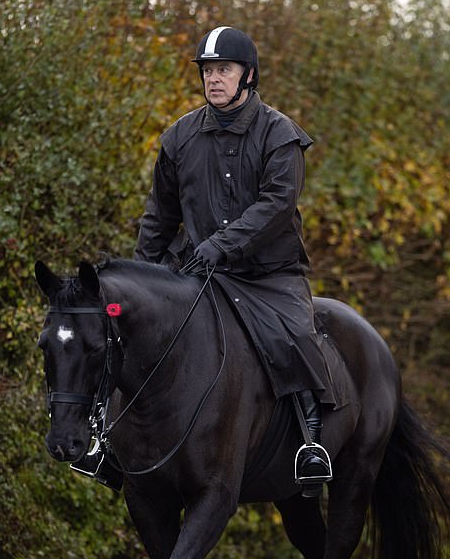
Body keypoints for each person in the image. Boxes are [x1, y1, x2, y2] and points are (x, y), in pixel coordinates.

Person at [135, 25, 342, 489]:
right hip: (199, 272)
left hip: (269, 274)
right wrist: (146, 277)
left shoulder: (280, 135)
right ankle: (110, 443)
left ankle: (310, 444)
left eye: (222, 70)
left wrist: (219, 246)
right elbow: (159, 216)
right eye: (208, 71)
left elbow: (276, 205)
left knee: (296, 336)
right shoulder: (178, 139)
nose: (213, 79)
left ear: (247, 75)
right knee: (132, 332)